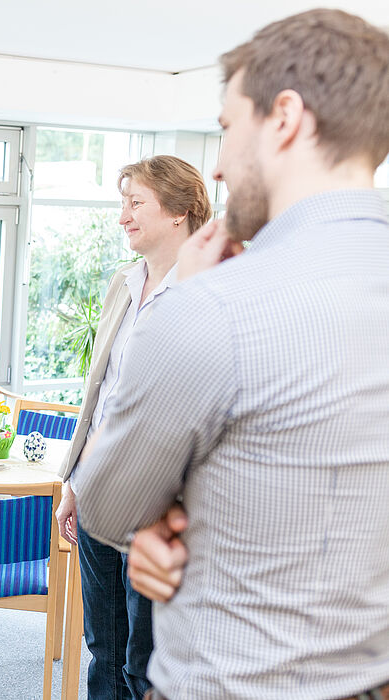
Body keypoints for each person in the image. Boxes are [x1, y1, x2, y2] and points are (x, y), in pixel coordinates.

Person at [74, 9, 389, 699]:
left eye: (225, 127)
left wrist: (161, 525)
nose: (217, 164)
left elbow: (105, 503)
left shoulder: (213, 304)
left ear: (284, 117)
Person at [54, 155, 212, 700]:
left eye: (135, 202)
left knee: (147, 662)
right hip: (100, 490)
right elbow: (104, 398)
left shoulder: (216, 290)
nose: (122, 216)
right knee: (103, 649)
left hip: (164, 503)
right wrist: (76, 482)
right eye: (123, 203)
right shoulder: (124, 284)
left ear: (180, 211)